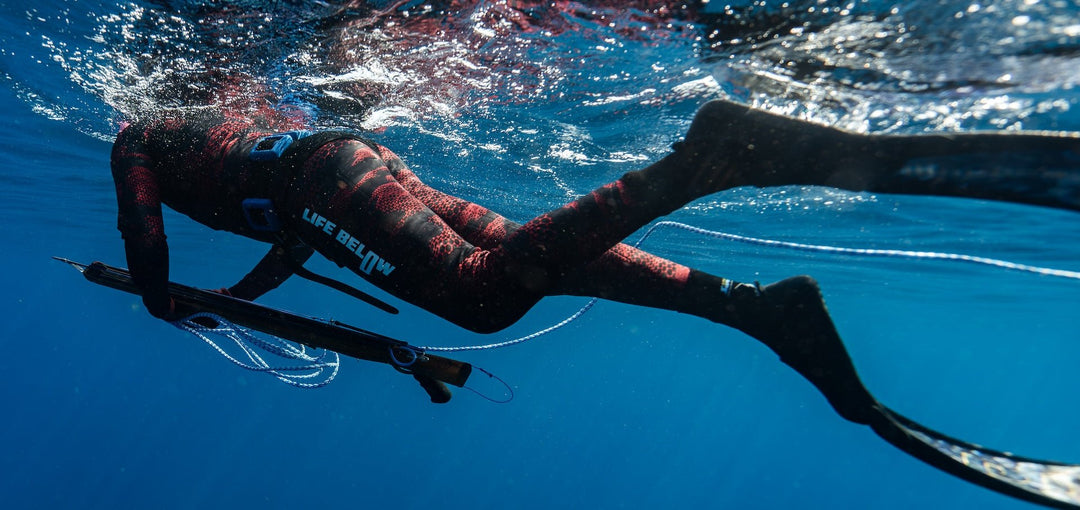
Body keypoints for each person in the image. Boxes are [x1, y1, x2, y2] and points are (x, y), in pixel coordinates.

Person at [111, 99, 1079, 424]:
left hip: (325, 185)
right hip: (344, 167)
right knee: (530, 258)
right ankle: (750, 307)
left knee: (482, 303)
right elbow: (292, 241)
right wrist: (232, 298)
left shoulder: (139, 136)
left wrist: (157, 298)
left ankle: (705, 163)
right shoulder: (224, 130)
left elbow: (141, 232)